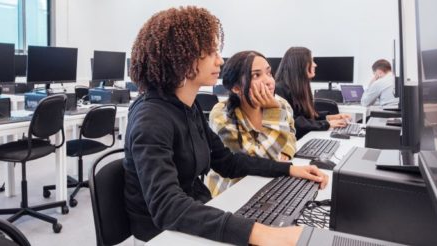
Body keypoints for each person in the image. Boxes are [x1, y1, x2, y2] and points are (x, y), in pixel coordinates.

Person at [124, 6, 329, 246]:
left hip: (195, 213)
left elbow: (227, 161)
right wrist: (263, 233)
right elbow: (167, 207)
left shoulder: (188, 107)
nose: (220, 60)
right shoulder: (151, 118)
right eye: (211, 52)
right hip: (162, 235)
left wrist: (289, 170)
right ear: (181, 56)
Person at [206, 50, 297, 196]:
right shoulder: (222, 115)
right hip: (231, 192)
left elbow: (291, 132)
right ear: (236, 88)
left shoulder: (281, 103)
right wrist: (273, 112)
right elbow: (257, 163)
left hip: (268, 186)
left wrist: (286, 150)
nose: (269, 81)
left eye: (269, 73)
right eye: (256, 75)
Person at [275, 47, 352, 139]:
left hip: (305, 138)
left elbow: (306, 117)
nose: (315, 65)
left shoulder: (300, 87)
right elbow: (294, 122)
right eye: (311, 61)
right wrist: (326, 124)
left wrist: (331, 117)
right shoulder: (279, 89)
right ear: (300, 65)